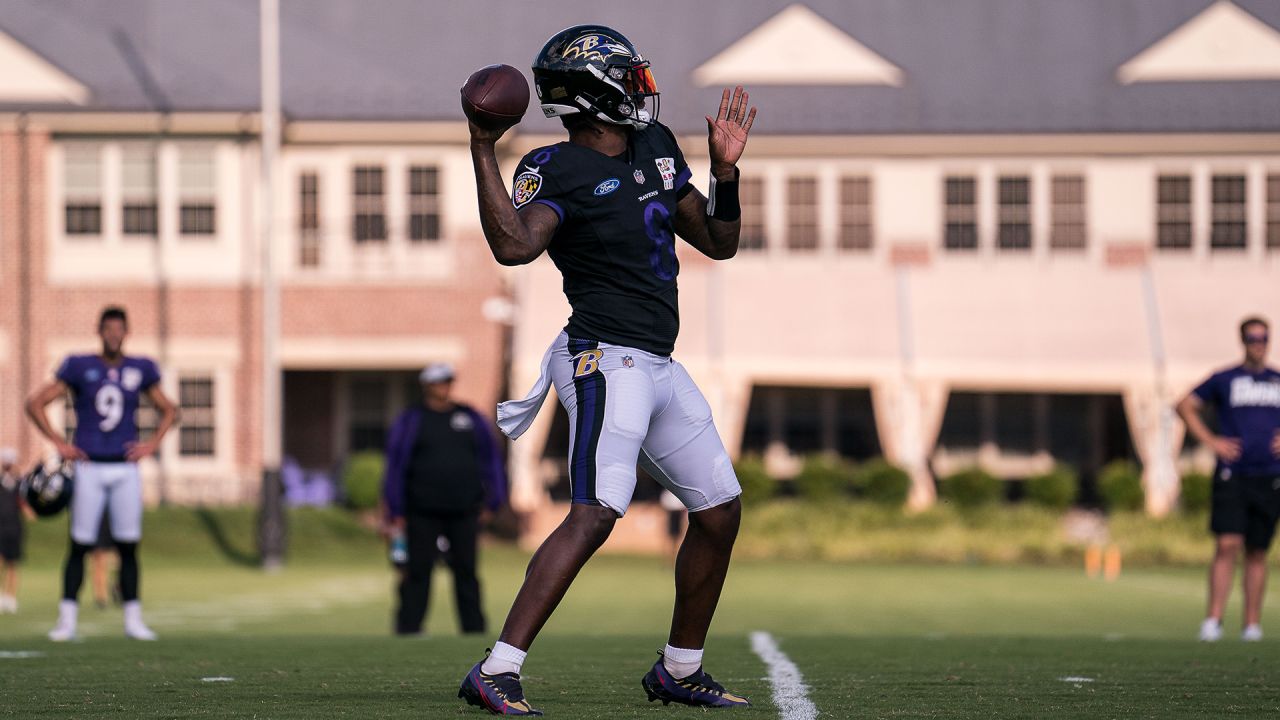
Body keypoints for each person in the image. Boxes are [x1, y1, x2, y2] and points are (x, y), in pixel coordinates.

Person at [458, 24, 756, 715]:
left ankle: (678, 670)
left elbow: (720, 241)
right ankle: (496, 670)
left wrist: (726, 173)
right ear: (593, 93)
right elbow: (513, 247)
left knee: (718, 512)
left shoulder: (655, 145)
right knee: (595, 513)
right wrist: (481, 148)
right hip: (600, 357)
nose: (639, 86)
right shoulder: (554, 167)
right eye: (625, 76)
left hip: (655, 360)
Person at [25, 305, 179, 641]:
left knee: (128, 546)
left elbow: (169, 410)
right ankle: (67, 620)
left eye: (118, 328)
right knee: (79, 544)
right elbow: (35, 402)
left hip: (125, 467)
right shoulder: (80, 366)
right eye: (108, 328)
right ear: (99, 331)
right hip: (89, 465)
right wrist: (57, 442)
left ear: (126, 332)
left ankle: (133, 620)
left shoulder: (140, 368)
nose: (113, 334)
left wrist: (152, 444)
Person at [382, 362, 507, 636]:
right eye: (439, 382)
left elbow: (490, 460)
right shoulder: (412, 419)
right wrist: (394, 509)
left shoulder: (470, 417)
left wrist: (494, 499)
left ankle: (473, 629)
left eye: (448, 381)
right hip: (421, 510)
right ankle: (409, 628)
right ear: (427, 386)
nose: (444, 387)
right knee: (418, 571)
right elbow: (395, 466)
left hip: (464, 509)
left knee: (466, 571)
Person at [1177, 316, 1280, 642]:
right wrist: (1211, 441)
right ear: (1243, 341)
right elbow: (1184, 405)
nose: (1258, 343)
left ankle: (1251, 625)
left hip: (1269, 476)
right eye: (1253, 338)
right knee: (1227, 543)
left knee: (1257, 551)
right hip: (1232, 474)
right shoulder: (1225, 378)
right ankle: (1213, 621)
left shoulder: (1278, 380)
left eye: (1263, 338)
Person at [0, 448, 35, 613]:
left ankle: (11, 597)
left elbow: (27, 507)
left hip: (14, 528)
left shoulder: (21, 484)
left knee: (13, 564)